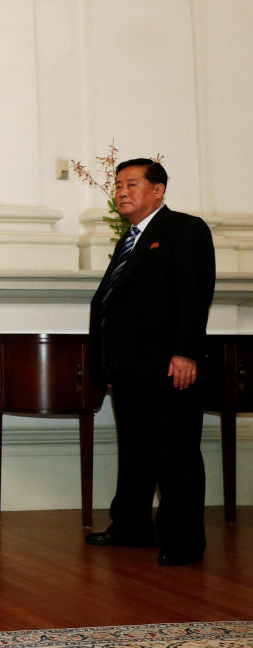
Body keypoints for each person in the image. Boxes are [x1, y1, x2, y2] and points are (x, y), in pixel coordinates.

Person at [87, 159, 215, 566]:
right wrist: (108, 364)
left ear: (158, 190)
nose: (122, 192)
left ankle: (183, 542)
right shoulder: (132, 238)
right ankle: (132, 527)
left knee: (175, 455)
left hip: (168, 365)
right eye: (118, 185)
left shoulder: (184, 229)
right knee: (137, 453)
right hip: (130, 368)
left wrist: (186, 351)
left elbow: (194, 295)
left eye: (132, 184)